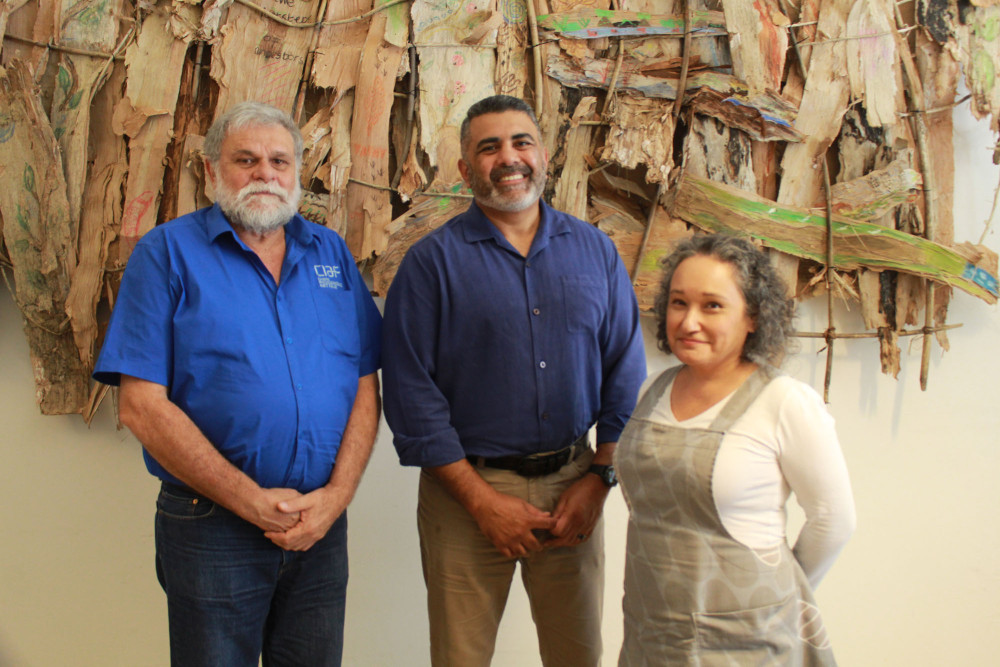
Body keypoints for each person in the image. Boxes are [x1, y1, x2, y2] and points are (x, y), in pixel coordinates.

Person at [93, 102, 382, 667]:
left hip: (320, 528)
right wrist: (252, 502)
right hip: (212, 526)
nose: (265, 174)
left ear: (298, 171)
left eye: (279, 160)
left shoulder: (332, 254)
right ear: (210, 171)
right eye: (245, 160)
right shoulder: (166, 254)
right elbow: (141, 407)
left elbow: (364, 385)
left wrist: (336, 499)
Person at [381, 94, 646, 666]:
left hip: (576, 491)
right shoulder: (429, 264)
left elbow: (625, 366)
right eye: (489, 146)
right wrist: (482, 503)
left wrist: (601, 479)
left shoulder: (595, 252)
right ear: (464, 168)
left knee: (578, 657)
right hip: (464, 496)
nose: (509, 157)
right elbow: (409, 393)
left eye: (521, 142)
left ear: (543, 154)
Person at [615, 233, 856, 665]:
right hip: (653, 629)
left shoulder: (784, 402)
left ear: (753, 316)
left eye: (712, 305)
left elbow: (833, 520)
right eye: (678, 302)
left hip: (749, 641)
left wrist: (774, 598)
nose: (689, 321)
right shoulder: (652, 390)